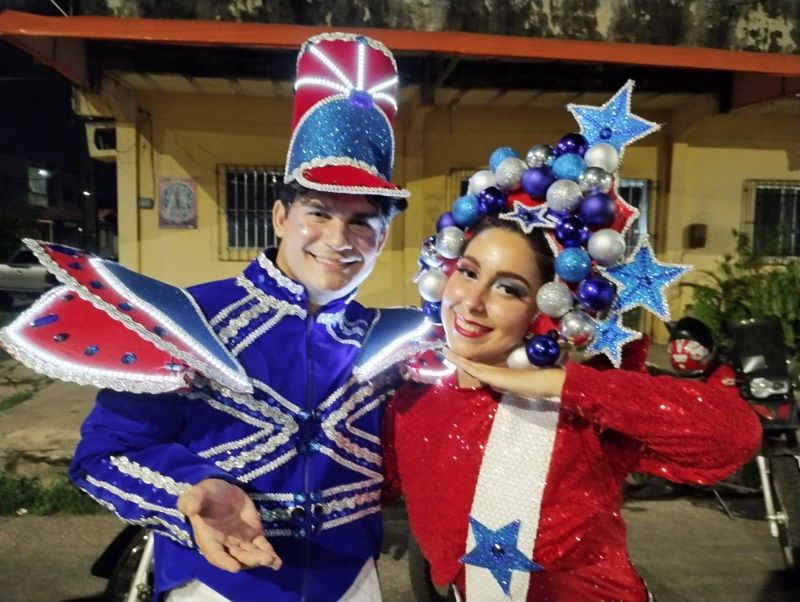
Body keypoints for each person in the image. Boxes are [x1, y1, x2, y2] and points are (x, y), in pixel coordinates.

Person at [1, 33, 427, 602]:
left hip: (351, 583)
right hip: (214, 585)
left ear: (383, 237)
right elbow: (103, 456)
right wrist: (192, 491)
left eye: (362, 223)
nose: (337, 239)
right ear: (279, 216)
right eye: (318, 213)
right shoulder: (192, 318)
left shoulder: (393, 341)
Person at [383, 219, 763, 600]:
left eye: (508, 289)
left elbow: (734, 436)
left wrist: (562, 385)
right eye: (468, 272)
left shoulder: (578, 410)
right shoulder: (412, 404)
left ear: (543, 310)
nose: (473, 301)